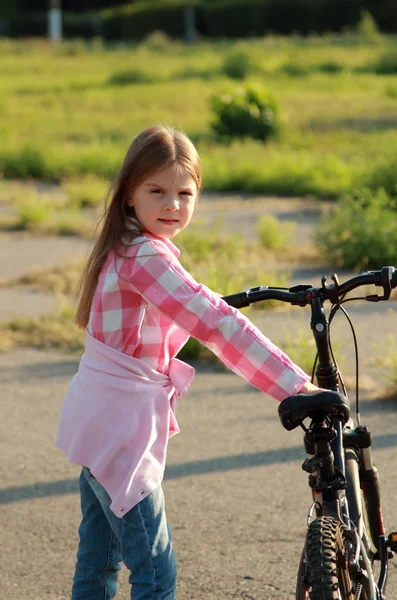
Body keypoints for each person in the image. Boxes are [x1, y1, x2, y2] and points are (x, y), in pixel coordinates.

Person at [56, 124, 319, 600]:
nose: (172, 205)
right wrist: (296, 386)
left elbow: (193, 305)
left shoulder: (124, 248)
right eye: (157, 191)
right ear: (129, 196)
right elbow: (216, 322)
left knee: (97, 564)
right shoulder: (146, 257)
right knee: (156, 573)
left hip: (96, 420)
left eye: (185, 193)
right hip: (120, 432)